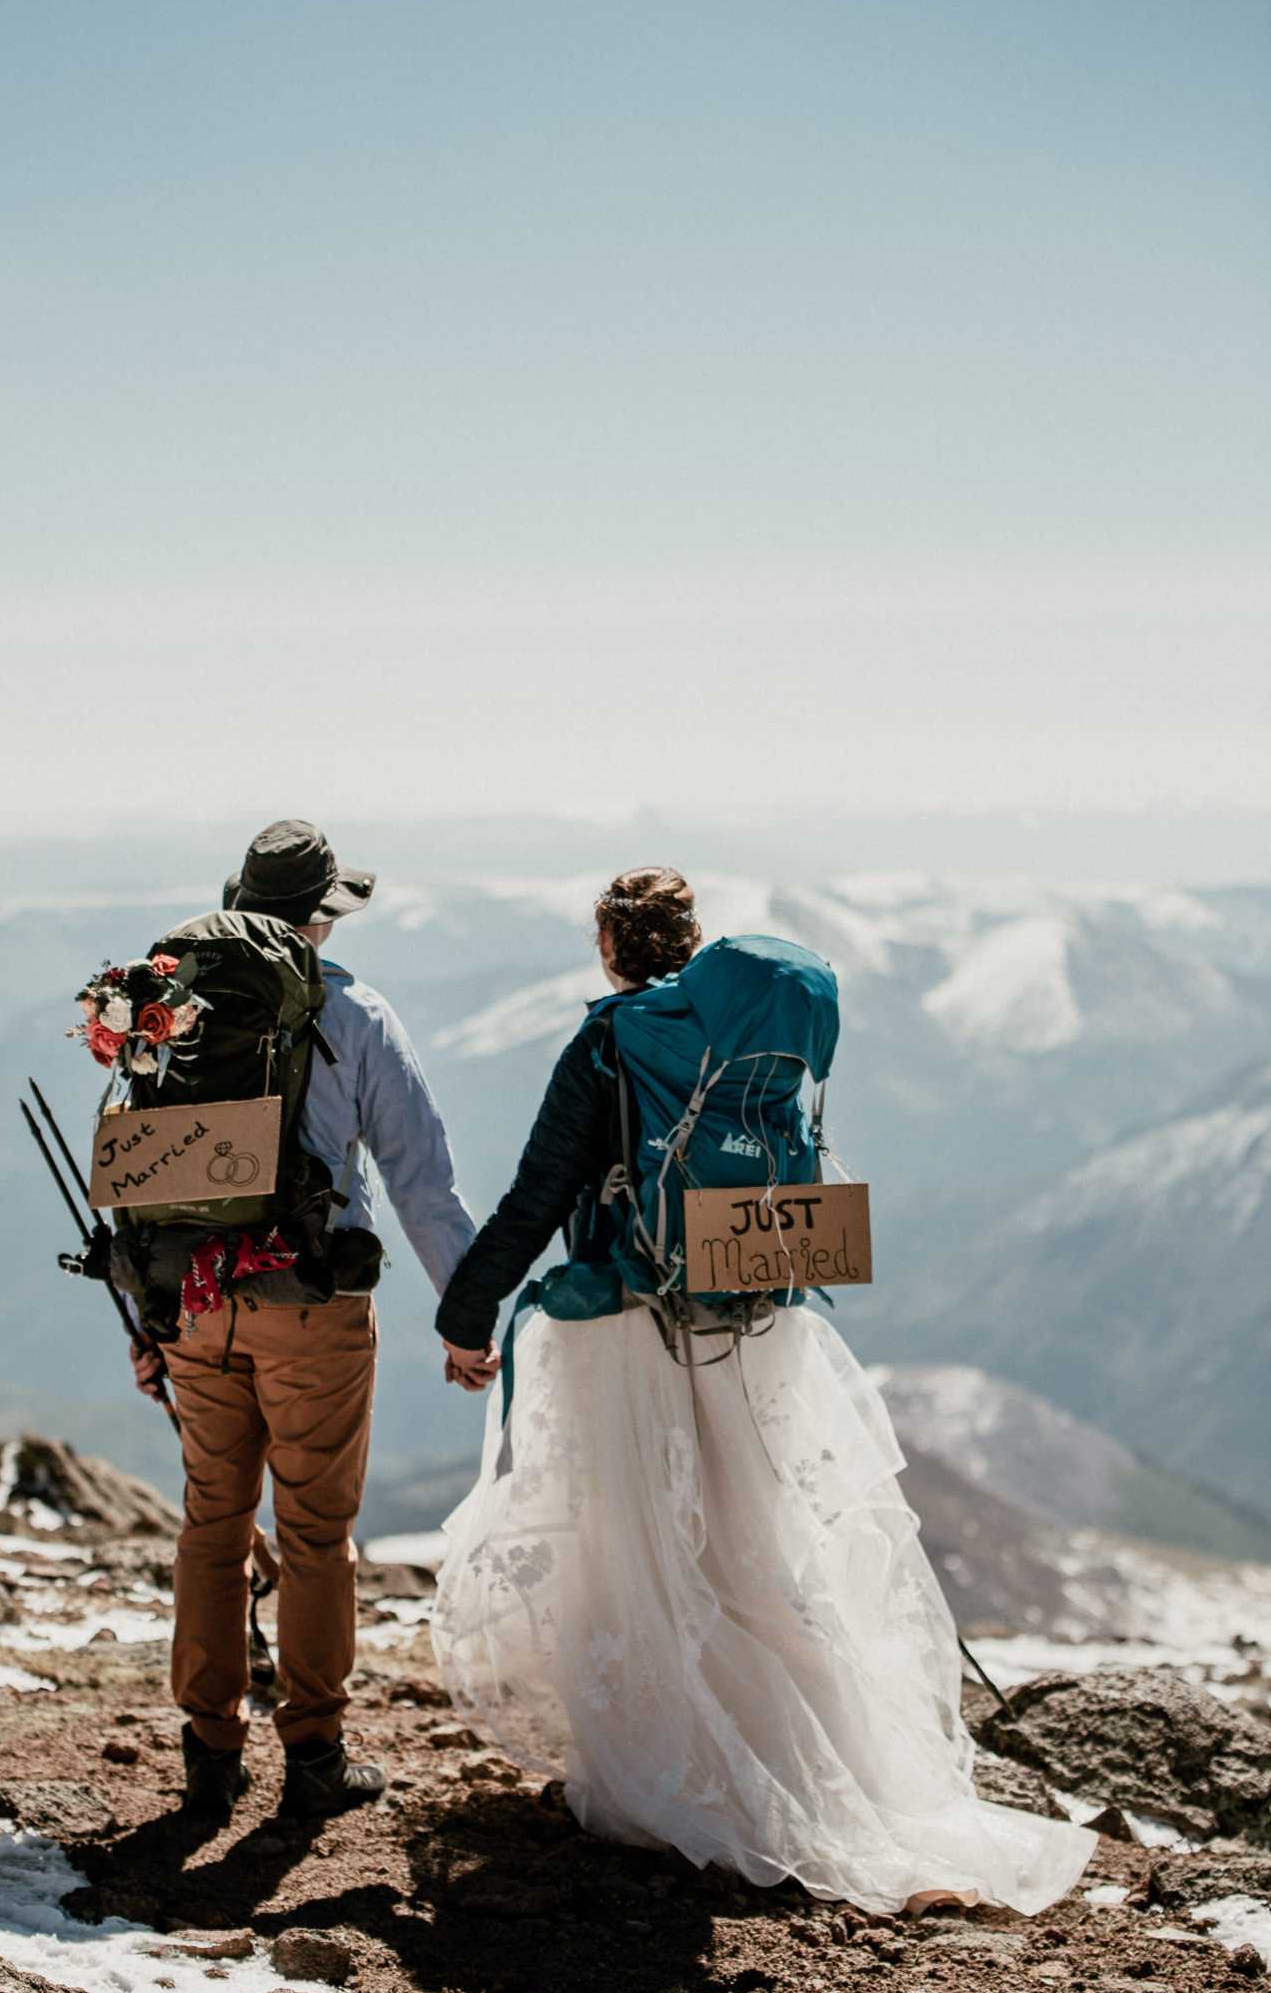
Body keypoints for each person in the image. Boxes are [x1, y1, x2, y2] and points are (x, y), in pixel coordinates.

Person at [431, 867, 1095, 1918]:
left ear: (611, 944)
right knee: (754, 1542)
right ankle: (813, 1760)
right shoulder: (753, 1033)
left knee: (639, 1546)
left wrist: (465, 1316)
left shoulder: (611, 1043)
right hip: (754, 1321)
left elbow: (536, 1195)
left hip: (629, 1324)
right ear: (688, 943)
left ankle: (667, 1771)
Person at [130, 819, 494, 1825]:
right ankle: (315, 1754)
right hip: (316, 1301)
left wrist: (145, 1318)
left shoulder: (171, 1013)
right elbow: (422, 1182)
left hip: (194, 1301)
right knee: (317, 1533)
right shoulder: (356, 1014)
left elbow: (143, 1179)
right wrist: (464, 1317)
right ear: (321, 917)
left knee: (211, 1522)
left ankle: (208, 1753)